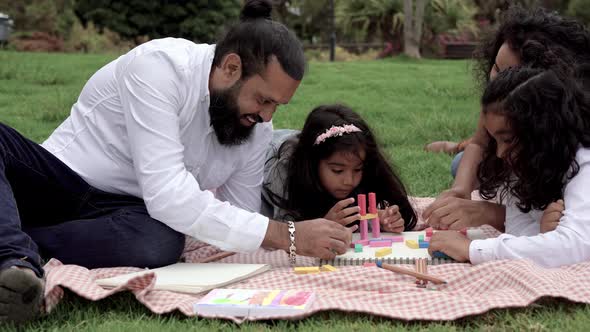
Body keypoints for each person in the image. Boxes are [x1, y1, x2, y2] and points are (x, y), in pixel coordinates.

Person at [0, 0, 356, 324]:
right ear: (231, 68)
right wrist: (287, 235)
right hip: (58, 184)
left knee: (162, 242)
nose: (267, 116)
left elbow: (241, 214)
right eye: (263, 100)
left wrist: (299, 229)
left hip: (124, 217)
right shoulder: (159, 68)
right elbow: (168, 195)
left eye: (277, 105)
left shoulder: (257, 128)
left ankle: (17, 239)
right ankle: (15, 261)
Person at [423, 6, 590, 230]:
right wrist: (460, 190)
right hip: (514, 161)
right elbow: (480, 141)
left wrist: (489, 213)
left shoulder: (574, 144)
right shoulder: (499, 102)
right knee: (462, 164)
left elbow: (564, 221)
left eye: (510, 74)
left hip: (543, 169)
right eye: (496, 69)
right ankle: (457, 146)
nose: (496, 81)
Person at [428, 66, 590, 268]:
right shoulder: (527, 160)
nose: (500, 153)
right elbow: (516, 228)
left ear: (543, 131)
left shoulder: (584, 161)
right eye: (495, 141)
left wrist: (473, 249)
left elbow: (575, 245)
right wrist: (541, 233)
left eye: (508, 139)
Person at [262, 104, 417, 232]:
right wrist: (323, 224)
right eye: (337, 170)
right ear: (313, 163)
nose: (349, 181)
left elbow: (399, 211)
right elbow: (279, 231)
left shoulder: (360, 162)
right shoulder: (283, 171)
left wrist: (381, 221)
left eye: (357, 169)